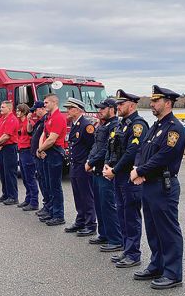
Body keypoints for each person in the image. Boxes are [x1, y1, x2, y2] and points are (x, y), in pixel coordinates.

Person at [131, 85, 185, 289]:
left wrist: (140, 172)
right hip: (149, 184)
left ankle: (173, 273)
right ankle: (157, 265)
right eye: (152, 101)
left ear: (168, 103)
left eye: (155, 101)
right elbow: (142, 149)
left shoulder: (174, 129)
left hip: (164, 185)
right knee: (153, 229)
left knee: (168, 230)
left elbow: (163, 156)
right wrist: (137, 168)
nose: (152, 104)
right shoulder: (156, 126)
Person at [103, 90, 148, 267]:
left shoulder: (138, 125)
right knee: (121, 213)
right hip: (118, 175)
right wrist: (108, 166)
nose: (118, 107)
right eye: (117, 104)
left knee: (131, 215)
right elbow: (112, 147)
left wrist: (114, 169)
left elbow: (131, 153)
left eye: (121, 104)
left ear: (132, 105)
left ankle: (134, 254)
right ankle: (126, 249)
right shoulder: (122, 125)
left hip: (128, 176)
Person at [85, 98, 123, 249]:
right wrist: (90, 159)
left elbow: (106, 150)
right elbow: (96, 145)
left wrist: (91, 162)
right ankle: (104, 234)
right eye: (99, 108)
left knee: (108, 205)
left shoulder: (115, 126)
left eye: (102, 108)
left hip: (106, 170)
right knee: (99, 205)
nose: (99, 111)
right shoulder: (103, 125)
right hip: (97, 170)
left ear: (112, 109)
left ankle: (115, 239)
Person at [64, 97, 97, 237]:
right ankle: (81, 220)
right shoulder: (75, 124)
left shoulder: (86, 125)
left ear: (77, 110)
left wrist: (89, 163)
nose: (67, 111)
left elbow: (92, 146)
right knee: (78, 195)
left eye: (70, 109)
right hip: (75, 164)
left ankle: (90, 224)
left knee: (86, 195)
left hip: (83, 165)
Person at [37, 94, 67, 226]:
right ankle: (51, 211)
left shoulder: (59, 118)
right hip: (47, 152)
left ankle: (58, 215)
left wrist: (40, 150)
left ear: (54, 102)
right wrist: (41, 149)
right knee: (48, 185)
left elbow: (52, 139)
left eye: (46, 102)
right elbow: (44, 135)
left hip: (54, 153)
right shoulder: (49, 117)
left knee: (55, 186)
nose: (44, 105)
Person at [0, 100, 19, 205]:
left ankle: (13, 196)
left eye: (3, 107)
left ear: (9, 109)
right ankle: (5, 194)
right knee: (2, 173)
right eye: (1, 106)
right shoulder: (1, 119)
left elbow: (6, 136)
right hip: (2, 148)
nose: (1, 108)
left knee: (9, 172)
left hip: (9, 148)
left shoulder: (12, 119)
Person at [27, 101, 49, 216]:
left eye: (36, 110)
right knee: (41, 180)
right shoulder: (40, 121)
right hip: (36, 155)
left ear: (41, 108)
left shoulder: (45, 120)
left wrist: (40, 149)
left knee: (45, 182)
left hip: (41, 155)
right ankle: (46, 205)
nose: (34, 112)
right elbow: (30, 132)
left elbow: (46, 137)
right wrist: (28, 120)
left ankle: (48, 206)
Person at [16, 103, 39, 211]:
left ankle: (34, 202)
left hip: (28, 151)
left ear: (24, 111)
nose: (17, 112)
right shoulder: (20, 122)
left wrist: (29, 121)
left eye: (19, 110)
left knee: (30, 177)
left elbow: (30, 133)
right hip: (21, 150)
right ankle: (28, 198)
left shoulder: (29, 122)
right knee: (25, 177)